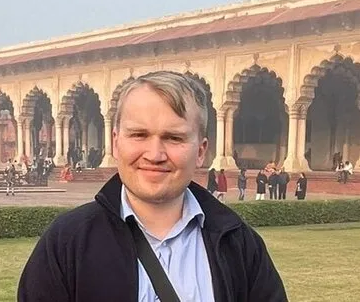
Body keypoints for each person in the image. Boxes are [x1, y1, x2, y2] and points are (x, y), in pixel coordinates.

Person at [18, 71, 287, 301]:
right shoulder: (69, 243)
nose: (155, 154)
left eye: (174, 138)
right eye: (139, 135)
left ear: (201, 151)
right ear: (116, 142)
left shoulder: (237, 245)